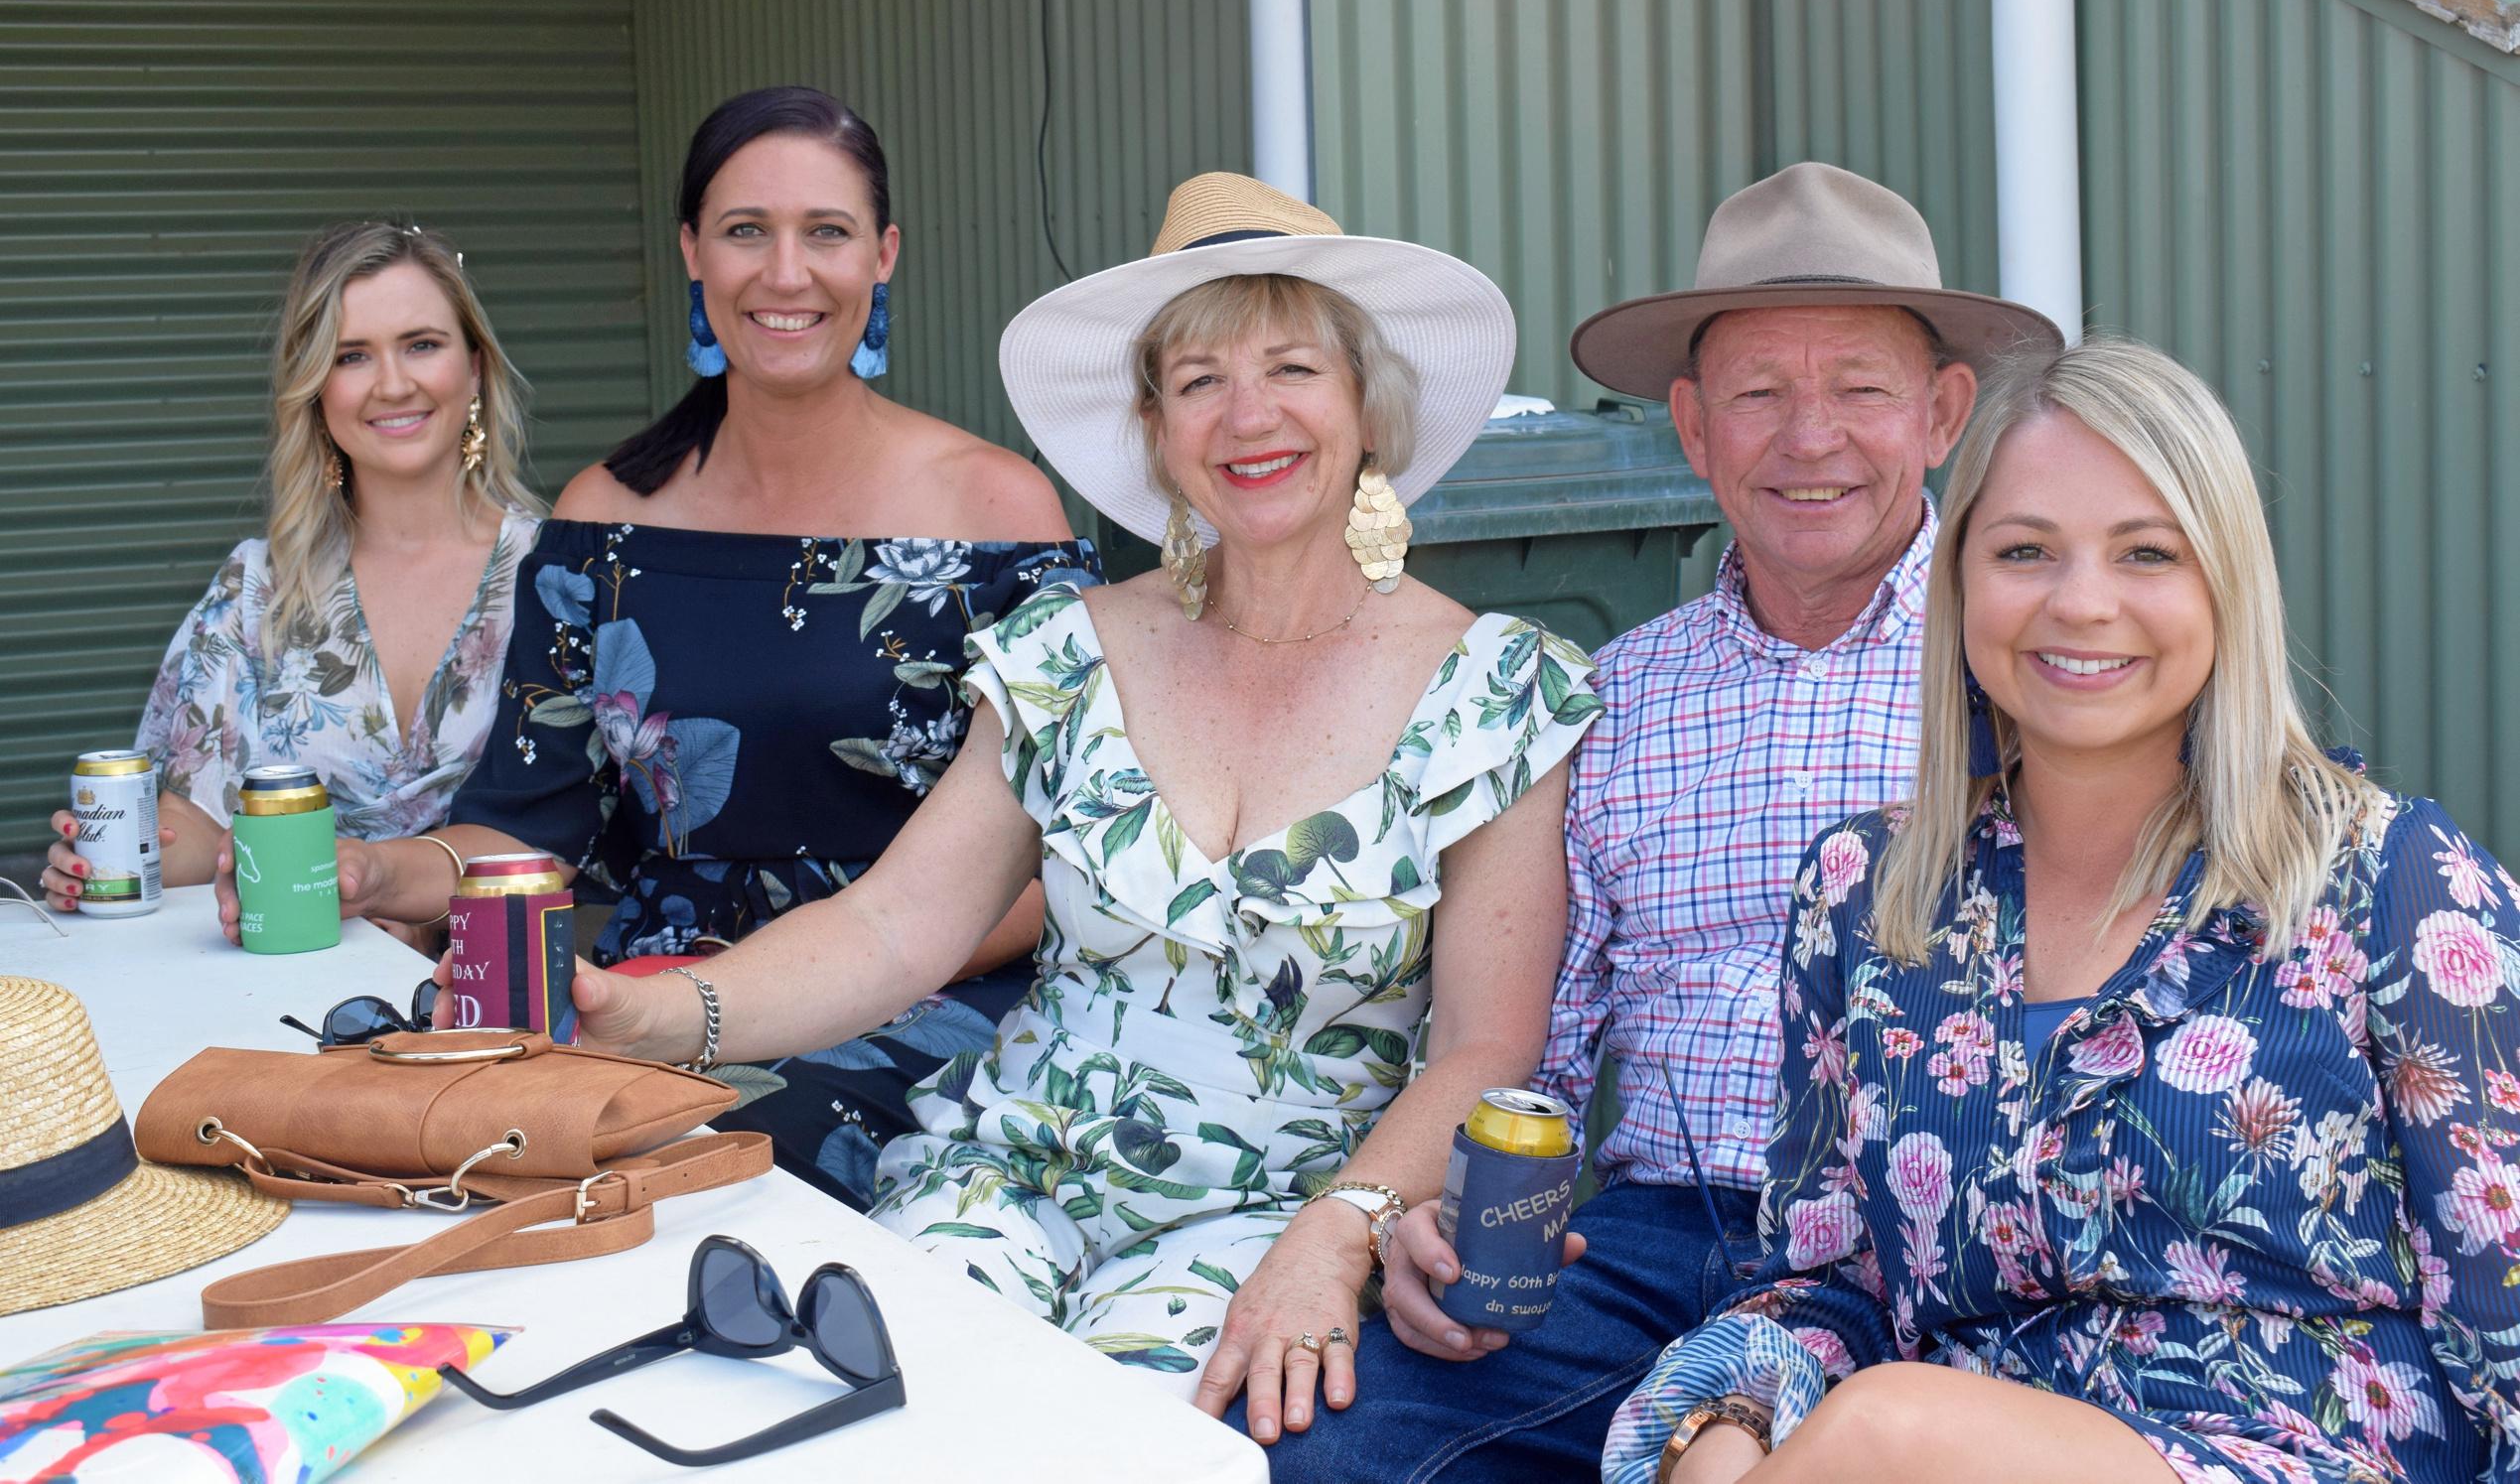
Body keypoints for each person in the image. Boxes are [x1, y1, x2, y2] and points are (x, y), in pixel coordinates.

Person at [568, 173, 1605, 1437]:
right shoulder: (1066, 652)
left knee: (1100, 1447)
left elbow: (1489, 1050)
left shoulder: (1497, 688)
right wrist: (659, 1014)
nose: (1248, 415)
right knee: (871, 1420)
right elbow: (896, 927)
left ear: (1365, 407)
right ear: (1159, 427)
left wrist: (1344, 1231)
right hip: (1006, 1171)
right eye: (1200, 381)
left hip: (1277, 1210)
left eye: (1292, 369)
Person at [1261, 163, 2059, 1480]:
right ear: (1691, 428)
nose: (1809, 438)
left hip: (1926, 1246)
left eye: (1858, 388)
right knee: (1320, 1451)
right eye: (1758, 395)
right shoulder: (1620, 693)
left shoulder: (2026, 656)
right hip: (1648, 1239)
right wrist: (1447, 1226)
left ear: (1941, 413)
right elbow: (1542, 1060)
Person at [1615, 336, 2520, 1484]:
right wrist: (1726, 1423)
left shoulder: (2389, 880)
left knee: (1891, 1431)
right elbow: (1830, 1281)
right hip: (1934, 1451)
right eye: (2025, 550)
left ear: (2224, 582)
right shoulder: (1867, 893)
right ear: (1960, 583)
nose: (2081, 603)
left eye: (2146, 552)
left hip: (2295, 1455)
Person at [214, 86, 1097, 1208]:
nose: (785, 273)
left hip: (917, 1002)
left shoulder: (997, 514)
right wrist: (366, 870)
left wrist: (736, 994)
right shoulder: (608, 519)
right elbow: (528, 822)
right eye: (745, 232)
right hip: (628, 998)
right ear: (693, 252)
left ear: (884, 256)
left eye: (825, 232)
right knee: (395, 1133)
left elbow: (1057, 868)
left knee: (698, 1171)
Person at [41, 221, 540, 944]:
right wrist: (111, 858)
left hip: (502, 984)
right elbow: (197, 823)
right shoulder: (258, 588)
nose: (393, 383)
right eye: (352, 355)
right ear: (315, 391)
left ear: (476, 369)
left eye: (422, 344)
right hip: (296, 981)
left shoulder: (556, 578)